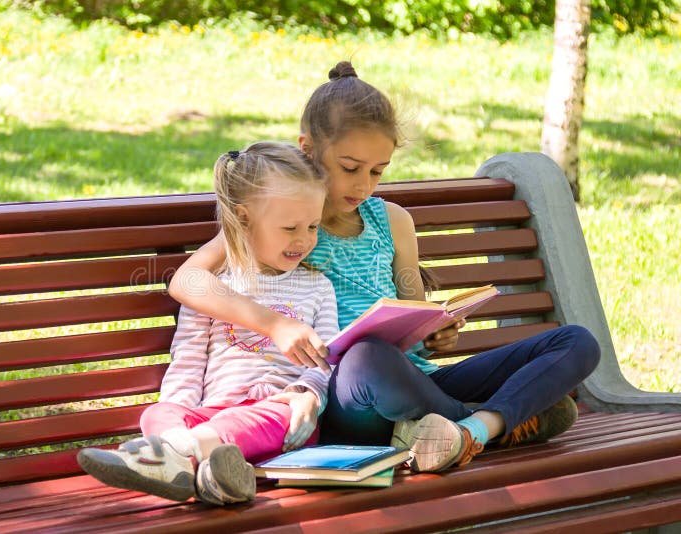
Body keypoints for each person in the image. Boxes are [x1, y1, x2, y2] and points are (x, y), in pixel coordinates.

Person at [168, 61, 601, 473]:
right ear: (309, 150)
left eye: (377, 171)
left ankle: (471, 430)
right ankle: (507, 420)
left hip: (416, 383)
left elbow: (415, 312)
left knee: (577, 342)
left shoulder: (393, 221)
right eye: (350, 168)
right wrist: (273, 325)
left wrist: (436, 334)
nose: (363, 185)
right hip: (342, 395)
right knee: (367, 357)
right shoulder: (280, 222)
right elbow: (187, 280)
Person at [77, 142, 339, 505]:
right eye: (290, 227)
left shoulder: (318, 287)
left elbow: (326, 361)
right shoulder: (214, 287)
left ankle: (164, 457)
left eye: (313, 226)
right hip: (211, 412)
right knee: (159, 411)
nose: (305, 239)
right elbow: (188, 359)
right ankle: (214, 476)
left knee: (263, 418)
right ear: (244, 217)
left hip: (277, 418)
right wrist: (180, 410)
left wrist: (307, 397)